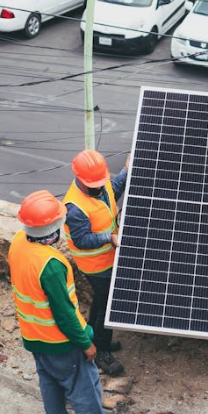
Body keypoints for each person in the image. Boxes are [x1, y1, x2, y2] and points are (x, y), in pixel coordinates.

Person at [8, 189, 125, 414]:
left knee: (49, 383)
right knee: (84, 387)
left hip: (33, 336)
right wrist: (86, 343)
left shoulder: (18, 242)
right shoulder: (51, 264)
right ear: (55, 227)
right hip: (61, 342)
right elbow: (64, 313)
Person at [64, 149, 128, 376]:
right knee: (104, 307)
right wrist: (108, 238)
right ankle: (100, 350)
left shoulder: (99, 186)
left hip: (109, 258)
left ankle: (99, 339)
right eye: (96, 183)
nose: (100, 186)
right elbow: (81, 240)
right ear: (81, 180)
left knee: (103, 304)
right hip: (97, 267)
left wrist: (126, 171)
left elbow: (114, 190)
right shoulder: (74, 207)